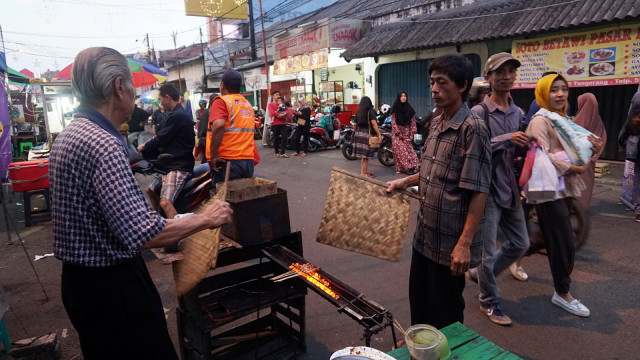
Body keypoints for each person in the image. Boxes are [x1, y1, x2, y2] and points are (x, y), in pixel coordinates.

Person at [49, 47, 232, 360]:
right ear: (119, 86)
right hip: (113, 288)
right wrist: (206, 217)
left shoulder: (69, 135)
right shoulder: (103, 143)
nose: (135, 93)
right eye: (133, 85)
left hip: (79, 286)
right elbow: (143, 233)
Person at [386, 54, 491, 329]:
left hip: (449, 246)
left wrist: (464, 244)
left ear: (462, 86)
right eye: (432, 82)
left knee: (445, 317)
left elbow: (479, 190)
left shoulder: (473, 129)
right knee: (420, 309)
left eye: (441, 83)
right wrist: (404, 182)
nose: (434, 89)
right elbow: (434, 171)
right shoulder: (436, 123)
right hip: (424, 238)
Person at [525, 73, 602, 317]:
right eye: (554, 90)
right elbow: (541, 155)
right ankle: (562, 293)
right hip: (549, 190)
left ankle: (502, 259)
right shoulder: (540, 121)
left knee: (548, 238)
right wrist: (573, 167)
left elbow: (576, 148)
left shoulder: (562, 118)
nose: (559, 94)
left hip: (565, 185)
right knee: (563, 242)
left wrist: (593, 149)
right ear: (543, 93)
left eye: (563, 89)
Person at [468, 52, 531, 326]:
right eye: (500, 72)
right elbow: (471, 149)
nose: (506, 76)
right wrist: (507, 138)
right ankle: (489, 301)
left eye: (511, 71)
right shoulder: (478, 112)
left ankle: (482, 273)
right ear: (489, 78)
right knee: (487, 253)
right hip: (486, 191)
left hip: (510, 186)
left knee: (521, 243)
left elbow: (518, 151)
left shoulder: (518, 112)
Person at [138, 83, 196, 220]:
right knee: (150, 189)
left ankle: (177, 237)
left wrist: (143, 147)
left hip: (179, 166)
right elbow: (162, 136)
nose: (160, 102)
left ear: (168, 97)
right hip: (168, 165)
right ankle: (161, 222)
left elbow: (160, 139)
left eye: (160, 99)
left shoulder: (177, 116)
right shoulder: (175, 114)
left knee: (165, 202)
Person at [207, 68, 256, 184]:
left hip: (228, 161)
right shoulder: (247, 104)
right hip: (248, 161)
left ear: (222, 85)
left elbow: (218, 125)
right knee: (243, 199)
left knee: (224, 200)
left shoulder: (220, 101)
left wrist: (213, 156)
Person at [573, 93, 607, 211]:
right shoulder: (598, 120)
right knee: (587, 183)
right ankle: (582, 208)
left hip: (577, 159)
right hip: (590, 159)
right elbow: (602, 138)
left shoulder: (580, 118)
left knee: (577, 182)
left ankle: (575, 207)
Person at [618, 90, 640, 222]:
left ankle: (639, 210)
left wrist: (622, 136)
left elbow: (630, 118)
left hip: (637, 144)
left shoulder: (638, 96)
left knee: (637, 178)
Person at [390, 92, 420, 174]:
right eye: (402, 96)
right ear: (398, 97)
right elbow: (393, 122)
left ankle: (414, 166)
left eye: (405, 96)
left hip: (406, 133)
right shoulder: (395, 109)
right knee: (400, 151)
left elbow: (413, 123)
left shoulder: (409, 109)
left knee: (409, 150)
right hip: (397, 135)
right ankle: (404, 168)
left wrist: (412, 134)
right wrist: (398, 133)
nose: (403, 98)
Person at [353, 96, 380, 178]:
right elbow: (374, 124)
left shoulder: (358, 112)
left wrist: (356, 131)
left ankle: (365, 171)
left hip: (358, 134)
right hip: (365, 134)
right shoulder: (370, 111)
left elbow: (354, 124)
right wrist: (379, 134)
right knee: (365, 156)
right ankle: (363, 174)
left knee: (363, 156)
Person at [269, 92, 289, 158]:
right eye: (276, 95)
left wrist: (284, 114)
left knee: (285, 137)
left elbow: (287, 110)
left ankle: (282, 152)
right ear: (273, 96)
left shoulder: (282, 104)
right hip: (275, 124)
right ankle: (276, 152)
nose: (278, 96)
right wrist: (279, 115)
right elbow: (272, 112)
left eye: (278, 95)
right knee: (276, 138)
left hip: (283, 123)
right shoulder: (271, 104)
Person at [195, 95, 214, 164]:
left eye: (205, 104)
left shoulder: (208, 111)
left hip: (206, 136)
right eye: (203, 104)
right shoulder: (204, 112)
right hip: (205, 136)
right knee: (206, 156)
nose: (204, 105)